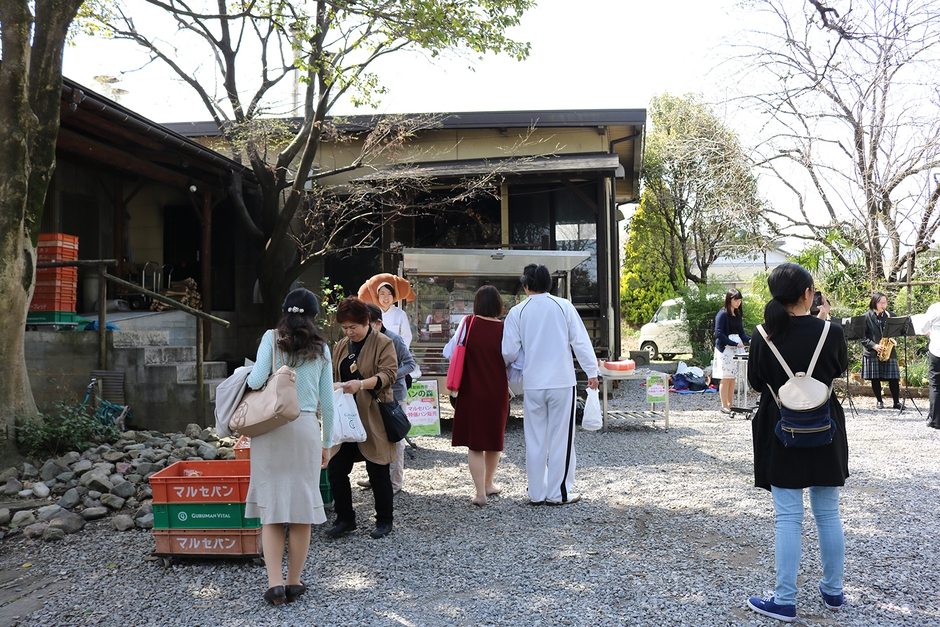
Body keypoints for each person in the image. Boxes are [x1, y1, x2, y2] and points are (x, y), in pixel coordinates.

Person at [746, 263, 848, 622]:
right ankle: (834, 593)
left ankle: (784, 600)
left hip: (781, 430)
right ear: (808, 294)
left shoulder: (763, 334)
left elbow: (758, 382)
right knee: (828, 513)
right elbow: (838, 370)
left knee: (788, 517)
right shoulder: (831, 332)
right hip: (825, 428)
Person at [244, 288, 334, 605]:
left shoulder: (271, 338)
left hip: (271, 429)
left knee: (271, 511)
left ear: (284, 311)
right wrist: (327, 444)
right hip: (306, 429)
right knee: (300, 511)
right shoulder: (323, 349)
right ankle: (294, 582)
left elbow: (255, 381)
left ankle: (274, 585)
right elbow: (329, 403)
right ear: (314, 316)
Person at [501, 264, 599, 506]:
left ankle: (536, 492)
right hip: (561, 383)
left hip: (532, 384)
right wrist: (592, 372)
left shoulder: (517, 312)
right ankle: (558, 493)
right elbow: (581, 342)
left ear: (526, 286)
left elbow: (508, 351)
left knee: (534, 439)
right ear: (550, 284)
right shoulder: (563, 306)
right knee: (560, 439)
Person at [326, 297, 399, 539]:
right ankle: (345, 518)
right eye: (345, 328)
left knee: (377, 469)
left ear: (366, 321)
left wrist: (361, 384)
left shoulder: (383, 343)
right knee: (336, 469)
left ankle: (384, 520)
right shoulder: (341, 345)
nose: (349, 332)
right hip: (346, 416)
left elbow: (389, 375)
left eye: (353, 327)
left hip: (374, 415)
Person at [444, 285, 510, 506]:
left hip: (471, 391)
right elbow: (513, 359)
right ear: (499, 305)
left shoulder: (468, 323)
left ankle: (480, 493)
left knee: (475, 444)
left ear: (477, 304)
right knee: (493, 441)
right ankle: (490, 483)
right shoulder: (505, 328)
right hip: (497, 391)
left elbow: (449, 352)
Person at [356, 303, 416, 494]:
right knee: (374, 437)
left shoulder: (394, 339)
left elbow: (410, 364)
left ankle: (395, 483)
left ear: (378, 323)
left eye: (367, 323)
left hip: (394, 396)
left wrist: (389, 375)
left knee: (396, 438)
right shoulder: (364, 341)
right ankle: (376, 478)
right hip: (370, 396)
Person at [860, 291, 901, 409]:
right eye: (881, 302)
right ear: (874, 303)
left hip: (888, 350)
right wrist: (874, 345)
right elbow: (862, 336)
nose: (884, 305)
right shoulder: (866, 316)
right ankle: (879, 401)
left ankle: (896, 402)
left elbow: (897, 331)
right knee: (875, 377)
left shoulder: (890, 315)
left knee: (894, 378)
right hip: (872, 351)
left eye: (885, 302)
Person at [714, 288, 750, 414]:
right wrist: (734, 343)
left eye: (740, 300)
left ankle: (730, 404)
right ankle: (724, 405)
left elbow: (742, 333)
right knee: (725, 377)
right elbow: (719, 333)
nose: (738, 303)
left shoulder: (737, 315)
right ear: (729, 299)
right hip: (725, 349)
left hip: (736, 348)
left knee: (733, 377)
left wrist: (750, 340)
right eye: (736, 300)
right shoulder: (722, 314)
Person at [357, 274, 414, 347]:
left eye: (389, 294)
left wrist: (399, 353)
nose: (386, 298)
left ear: (393, 296)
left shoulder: (400, 314)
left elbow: (406, 337)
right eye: (382, 294)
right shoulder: (371, 314)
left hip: (395, 354)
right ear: (378, 296)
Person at [911, 287, 940, 429]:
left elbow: (922, 328)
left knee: (935, 385)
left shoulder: (935, 308)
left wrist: (930, 332)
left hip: (937, 350)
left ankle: (935, 420)